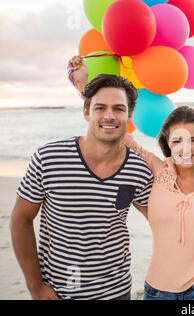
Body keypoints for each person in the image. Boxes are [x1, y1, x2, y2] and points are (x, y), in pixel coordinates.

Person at [9, 74, 153, 299]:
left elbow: (162, 222)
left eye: (118, 108)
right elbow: (20, 220)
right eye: (100, 108)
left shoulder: (139, 169)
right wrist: (35, 286)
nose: (109, 116)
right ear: (86, 112)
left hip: (117, 291)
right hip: (59, 292)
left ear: (129, 115)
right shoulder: (49, 158)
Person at [122, 106, 194, 300]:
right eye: (177, 140)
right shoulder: (159, 171)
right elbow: (128, 143)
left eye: (193, 139)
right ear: (167, 143)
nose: (186, 148)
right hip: (156, 291)